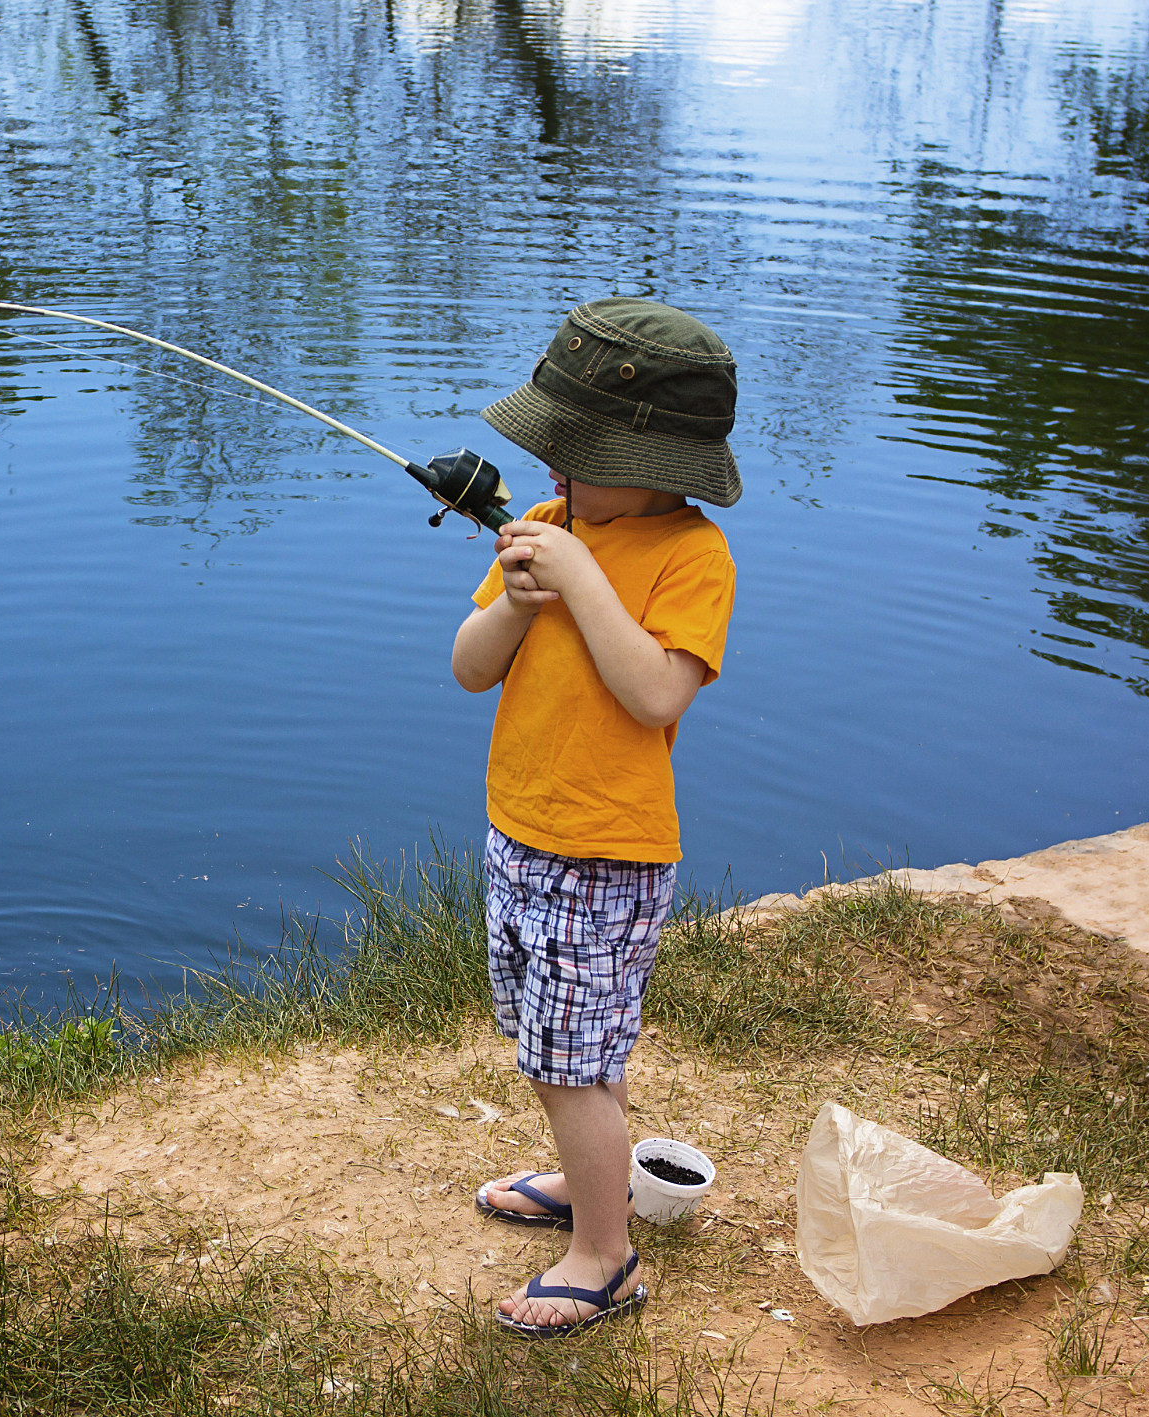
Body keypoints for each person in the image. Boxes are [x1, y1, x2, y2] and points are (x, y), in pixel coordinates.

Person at [448, 298, 740, 1339]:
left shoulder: (689, 557)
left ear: (659, 461)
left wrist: (577, 582)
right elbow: (468, 669)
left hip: (604, 852)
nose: (556, 471)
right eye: (553, 451)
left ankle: (605, 1256)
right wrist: (519, 600)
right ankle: (592, 1183)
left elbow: (655, 694)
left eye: (580, 453)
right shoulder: (556, 527)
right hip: (518, 831)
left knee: (570, 1060)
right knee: (555, 1044)